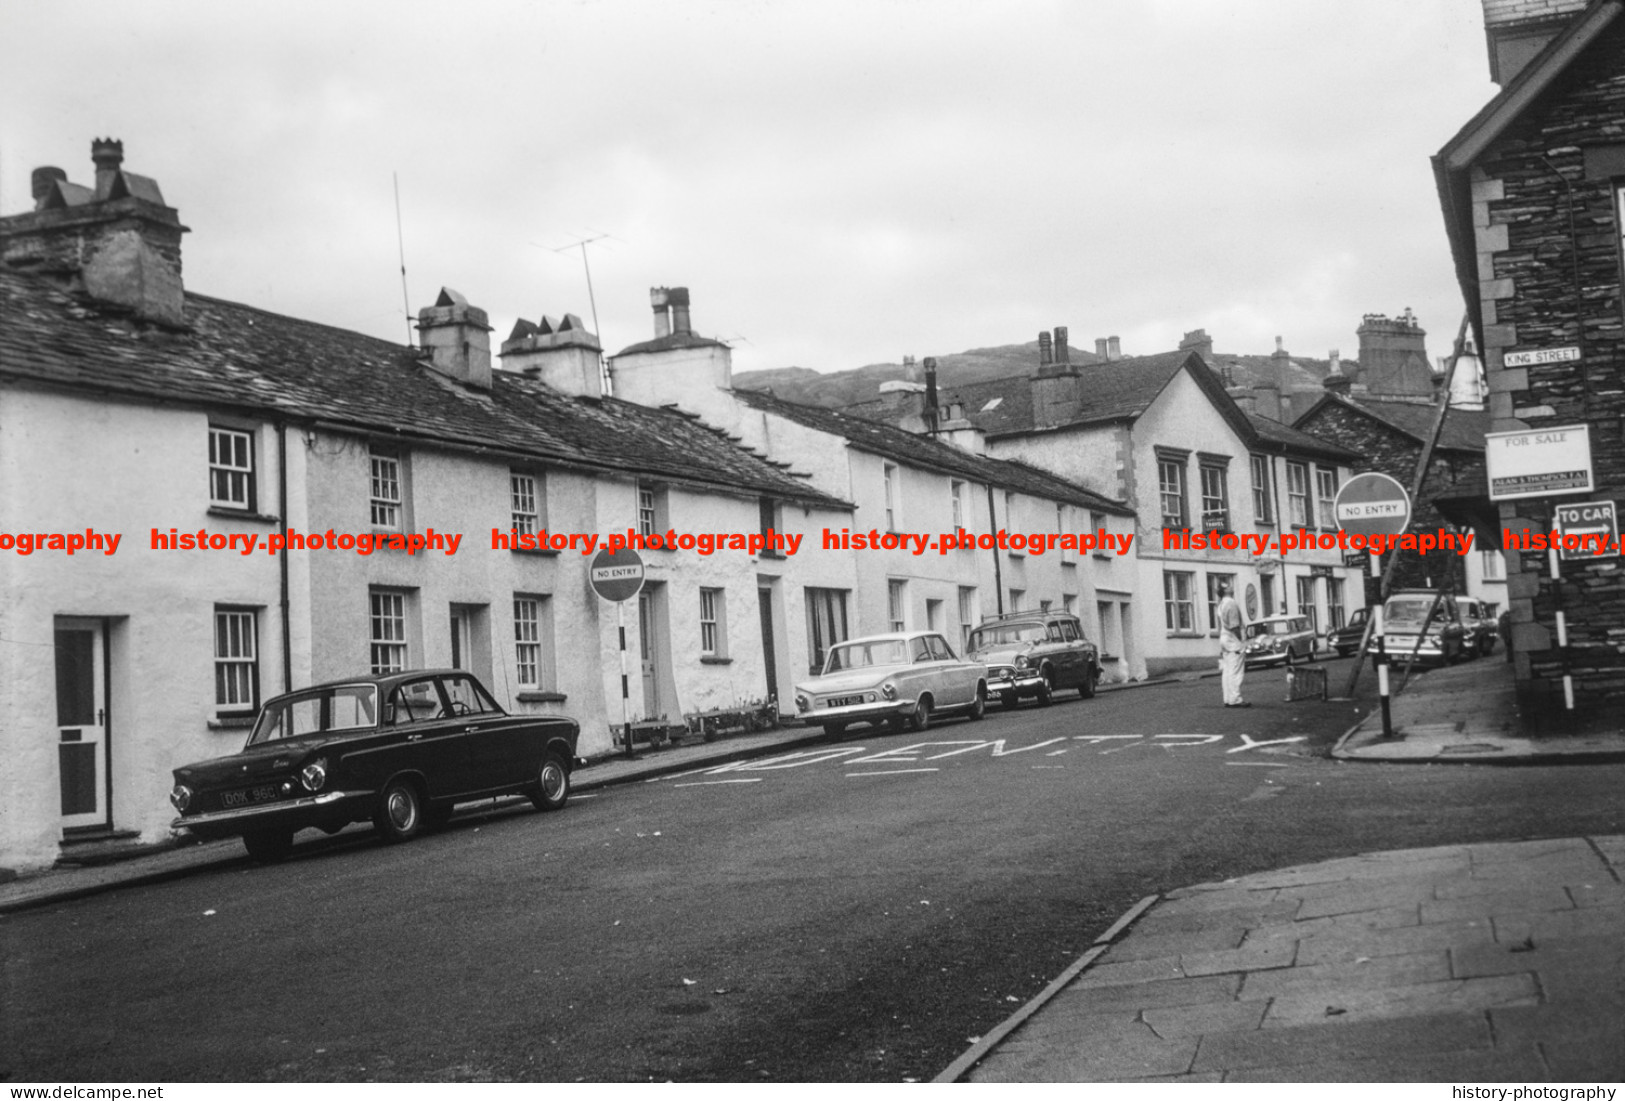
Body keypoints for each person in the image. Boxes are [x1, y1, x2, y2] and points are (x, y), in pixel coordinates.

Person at [1216, 580, 1248, 707]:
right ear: (1225, 591)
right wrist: (1242, 641)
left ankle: (1228, 699)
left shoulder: (1221, 604)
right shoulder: (1231, 603)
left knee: (1227, 671)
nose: (1232, 587)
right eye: (1228, 586)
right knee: (1236, 671)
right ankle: (1235, 699)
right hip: (1233, 640)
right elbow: (1235, 626)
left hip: (1224, 638)